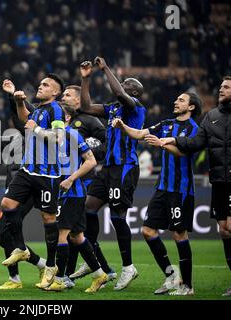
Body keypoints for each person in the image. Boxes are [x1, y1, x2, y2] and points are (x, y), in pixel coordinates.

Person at [161, 76, 231, 297]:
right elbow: (196, 142)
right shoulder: (212, 116)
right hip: (219, 180)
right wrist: (173, 140)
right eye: (220, 86)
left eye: (226, 87)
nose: (221, 89)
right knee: (224, 230)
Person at [113, 92, 202, 295]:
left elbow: (184, 152)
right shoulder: (166, 124)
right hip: (162, 188)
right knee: (147, 230)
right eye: (176, 98)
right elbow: (139, 134)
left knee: (179, 234)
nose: (175, 101)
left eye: (181, 100)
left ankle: (188, 286)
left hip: (181, 189)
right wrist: (123, 127)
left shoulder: (194, 129)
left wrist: (163, 143)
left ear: (191, 107)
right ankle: (171, 275)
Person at [0, 79, 46, 290]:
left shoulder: (35, 137)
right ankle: (40, 265)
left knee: (6, 231)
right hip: (13, 186)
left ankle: (19, 278)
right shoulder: (14, 139)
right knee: (6, 236)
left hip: (29, 187)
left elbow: (22, 115)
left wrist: (13, 97)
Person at [78, 57, 146, 290]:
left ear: (134, 91)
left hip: (125, 167)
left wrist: (105, 68)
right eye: (123, 81)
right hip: (107, 168)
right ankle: (94, 259)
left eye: (127, 82)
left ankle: (128, 267)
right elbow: (86, 107)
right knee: (88, 208)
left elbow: (119, 94)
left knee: (118, 217)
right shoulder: (114, 108)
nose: (123, 83)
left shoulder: (134, 106)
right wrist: (86, 79)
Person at [0, 74, 66, 290]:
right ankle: (21, 249)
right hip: (28, 169)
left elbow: (58, 137)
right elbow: (23, 119)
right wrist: (18, 100)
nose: (41, 86)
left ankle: (51, 266)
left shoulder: (56, 109)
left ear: (55, 92)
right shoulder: (38, 110)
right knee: (7, 204)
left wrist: (35, 129)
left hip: (47, 174)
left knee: (48, 219)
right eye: (41, 83)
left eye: (46, 85)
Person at [45, 103, 108, 293]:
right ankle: (100, 274)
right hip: (65, 192)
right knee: (77, 236)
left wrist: (71, 179)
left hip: (73, 192)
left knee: (61, 235)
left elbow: (91, 161)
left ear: (67, 119)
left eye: (58, 116)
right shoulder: (54, 138)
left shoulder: (73, 135)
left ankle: (59, 279)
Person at [60, 84, 116, 286]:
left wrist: (90, 155)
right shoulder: (62, 122)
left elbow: (109, 141)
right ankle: (104, 270)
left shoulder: (88, 120)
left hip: (85, 180)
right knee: (76, 230)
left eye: (68, 95)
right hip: (68, 181)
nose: (63, 97)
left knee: (74, 229)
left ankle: (68, 274)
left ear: (78, 100)